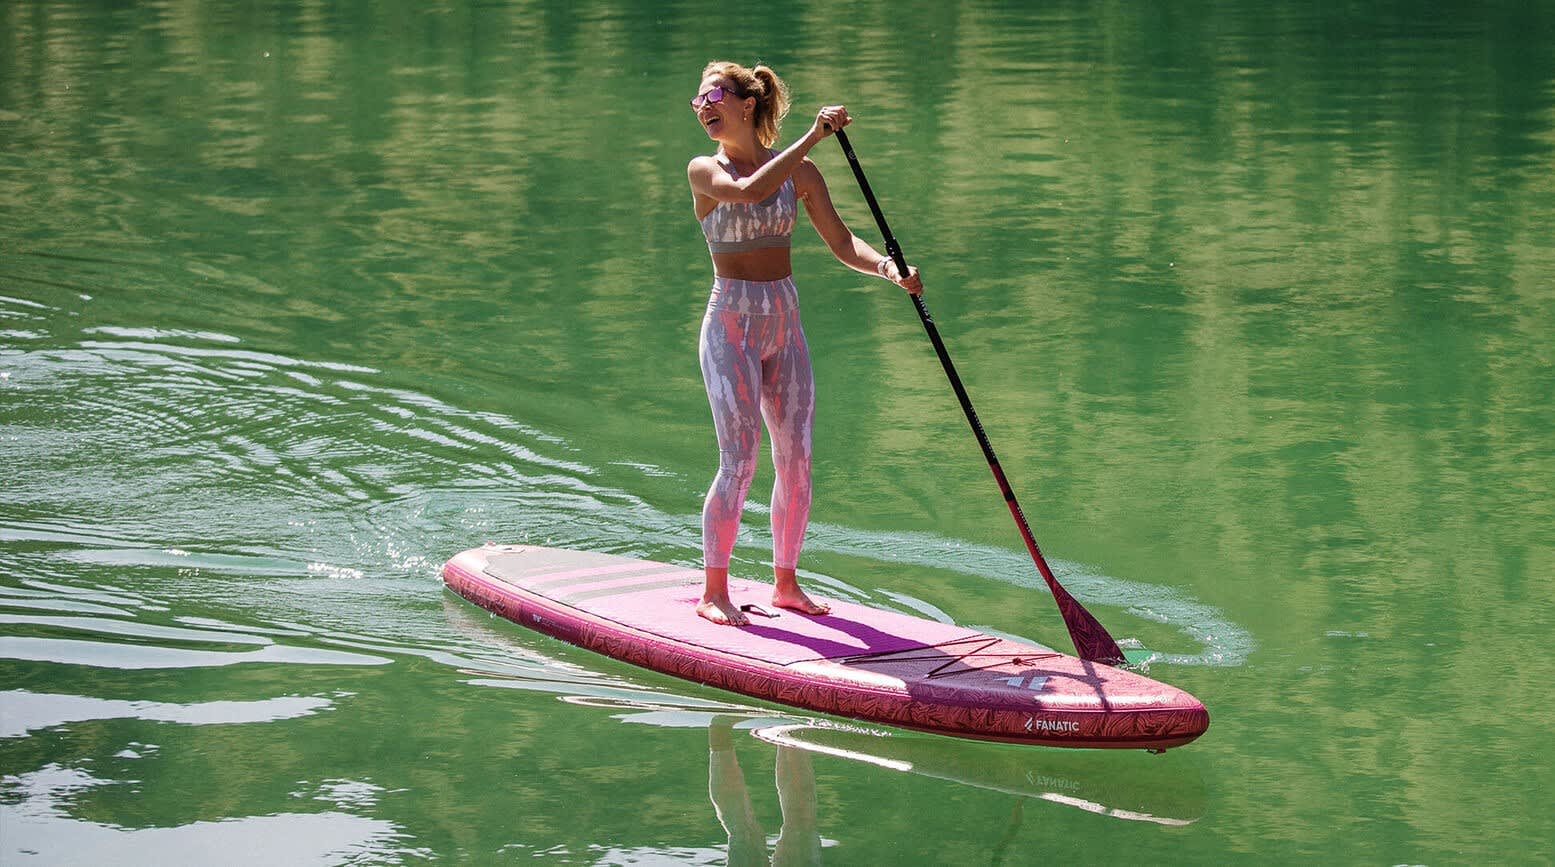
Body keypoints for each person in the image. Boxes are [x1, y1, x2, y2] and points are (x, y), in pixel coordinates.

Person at [687, 60, 922, 626]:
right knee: (739, 460)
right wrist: (812, 136)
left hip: (783, 322)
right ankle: (712, 592)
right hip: (731, 324)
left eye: (713, 94)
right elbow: (747, 191)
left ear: (747, 103)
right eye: (696, 99)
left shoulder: (803, 173)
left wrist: (889, 268)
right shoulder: (704, 170)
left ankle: (785, 586)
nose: (702, 106)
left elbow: (842, 242)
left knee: (797, 460)